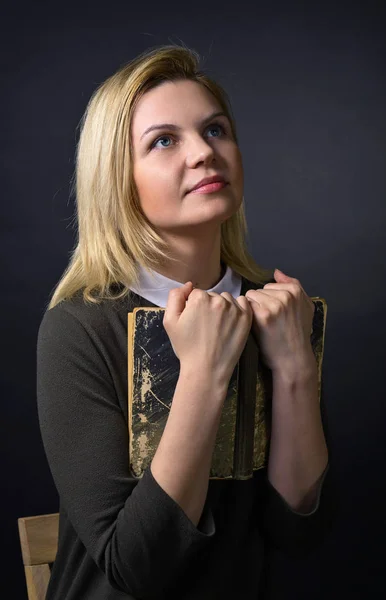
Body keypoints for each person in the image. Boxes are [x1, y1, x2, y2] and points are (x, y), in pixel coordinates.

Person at [37, 44, 335, 600]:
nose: (203, 152)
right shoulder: (79, 328)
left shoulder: (280, 313)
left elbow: (299, 534)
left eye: (216, 130)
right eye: (164, 141)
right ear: (118, 179)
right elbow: (137, 569)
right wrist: (202, 373)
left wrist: (295, 369)